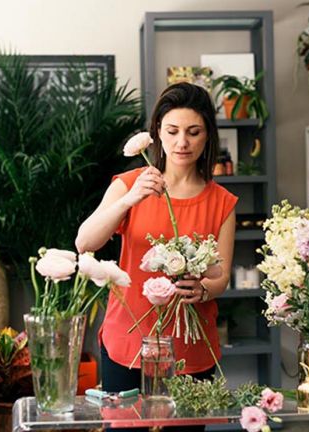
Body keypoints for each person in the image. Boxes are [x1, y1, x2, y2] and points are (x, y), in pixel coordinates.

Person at [76, 82, 237, 431]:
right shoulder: (130, 184)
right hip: (127, 343)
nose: (183, 142)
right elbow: (84, 241)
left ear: (208, 136)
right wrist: (128, 200)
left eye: (194, 132)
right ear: (157, 134)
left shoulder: (222, 201)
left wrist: (204, 290)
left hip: (190, 350)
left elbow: (221, 276)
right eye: (173, 131)